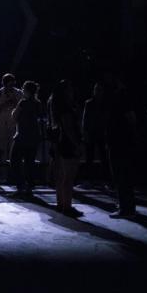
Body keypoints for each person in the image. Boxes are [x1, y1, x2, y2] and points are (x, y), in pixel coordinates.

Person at [103, 73, 138, 218]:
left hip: (119, 141)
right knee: (123, 175)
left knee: (121, 175)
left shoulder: (121, 97)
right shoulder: (122, 96)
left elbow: (131, 118)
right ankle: (127, 206)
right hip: (120, 140)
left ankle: (126, 208)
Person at [49, 79, 82, 217]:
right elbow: (69, 128)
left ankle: (62, 203)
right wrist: (77, 144)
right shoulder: (66, 109)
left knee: (63, 176)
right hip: (68, 143)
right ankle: (67, 206)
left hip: (63, 142)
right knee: (69, 177)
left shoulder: (58, 107)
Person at [10, 81, 42, 195]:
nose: (22, 91)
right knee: (30, 162)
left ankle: (20, 186)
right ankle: (29, 186)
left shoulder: (23, 102)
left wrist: (15, 108)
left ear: (27, 91)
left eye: (23, 89)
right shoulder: (37, 103)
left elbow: (14, 116)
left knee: (14, 160)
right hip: (34, 136)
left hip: (22, 136)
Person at [0, 73, 23, 186]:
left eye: (12, 85)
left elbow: (22, 108)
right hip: (1, 124)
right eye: (9, 85)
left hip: (14, 124)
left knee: (15, 153)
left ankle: (13, 179)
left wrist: (15, 102)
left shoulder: (19, 93)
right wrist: (5, 104)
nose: (11, 87)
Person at [81, 82, 110, 184]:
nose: (97, 92)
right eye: (96, 90)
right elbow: (85, 119)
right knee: (90, 157)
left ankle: (106, 180)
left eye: (99, 90)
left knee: (103, 157)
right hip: (92, 132)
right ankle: (90, 179)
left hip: (101, 132)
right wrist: (85, 132)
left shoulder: (104, 103)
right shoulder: (89, 103)